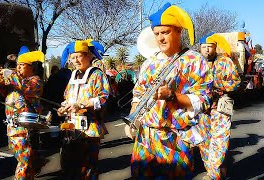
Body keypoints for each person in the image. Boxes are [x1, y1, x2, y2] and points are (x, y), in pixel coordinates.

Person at [124, 2, 213, 179]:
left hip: (174, 137)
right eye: (156, 34)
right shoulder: (149, 63)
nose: (160, 38)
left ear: (179, 31)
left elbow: (204, 101)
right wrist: (132, 118)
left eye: (165, 32)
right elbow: (138, 94)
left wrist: (172, 96)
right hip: (145, 136)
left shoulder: (195, 61)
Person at [57, 39, 110, 179]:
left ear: (89, 55)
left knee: (89, 168)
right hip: (73, 127)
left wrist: (81, 105)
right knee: (73, 167)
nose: (75, 60)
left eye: (78, 56)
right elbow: (67, 98)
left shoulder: (97, 74)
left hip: (91, 128)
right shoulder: (73, 75)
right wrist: (63, 108)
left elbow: (103, 98)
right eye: (72, 57)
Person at [0, 50, 45, 179]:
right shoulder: (13, 82)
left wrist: (12, 76)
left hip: (26, 127)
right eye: (18, 65)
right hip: (11, 127)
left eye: (21, 65)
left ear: (31, 67)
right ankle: (36, 163)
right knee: (24, 159)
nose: (18, 68)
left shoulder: (35, 80)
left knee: (24, 162)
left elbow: (26, 89)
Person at [198, 32, 241, 180]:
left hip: (220, 108)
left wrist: (220, 87)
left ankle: (214, 175)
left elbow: (236, 82)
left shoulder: (225, 62)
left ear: (215, 47)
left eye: (210, 47)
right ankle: (216, 172)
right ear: (200, 48)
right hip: (202, 110)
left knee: (219, 142)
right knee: (204, 143)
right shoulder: (196, 63)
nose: (207, 50)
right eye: (204, 47)